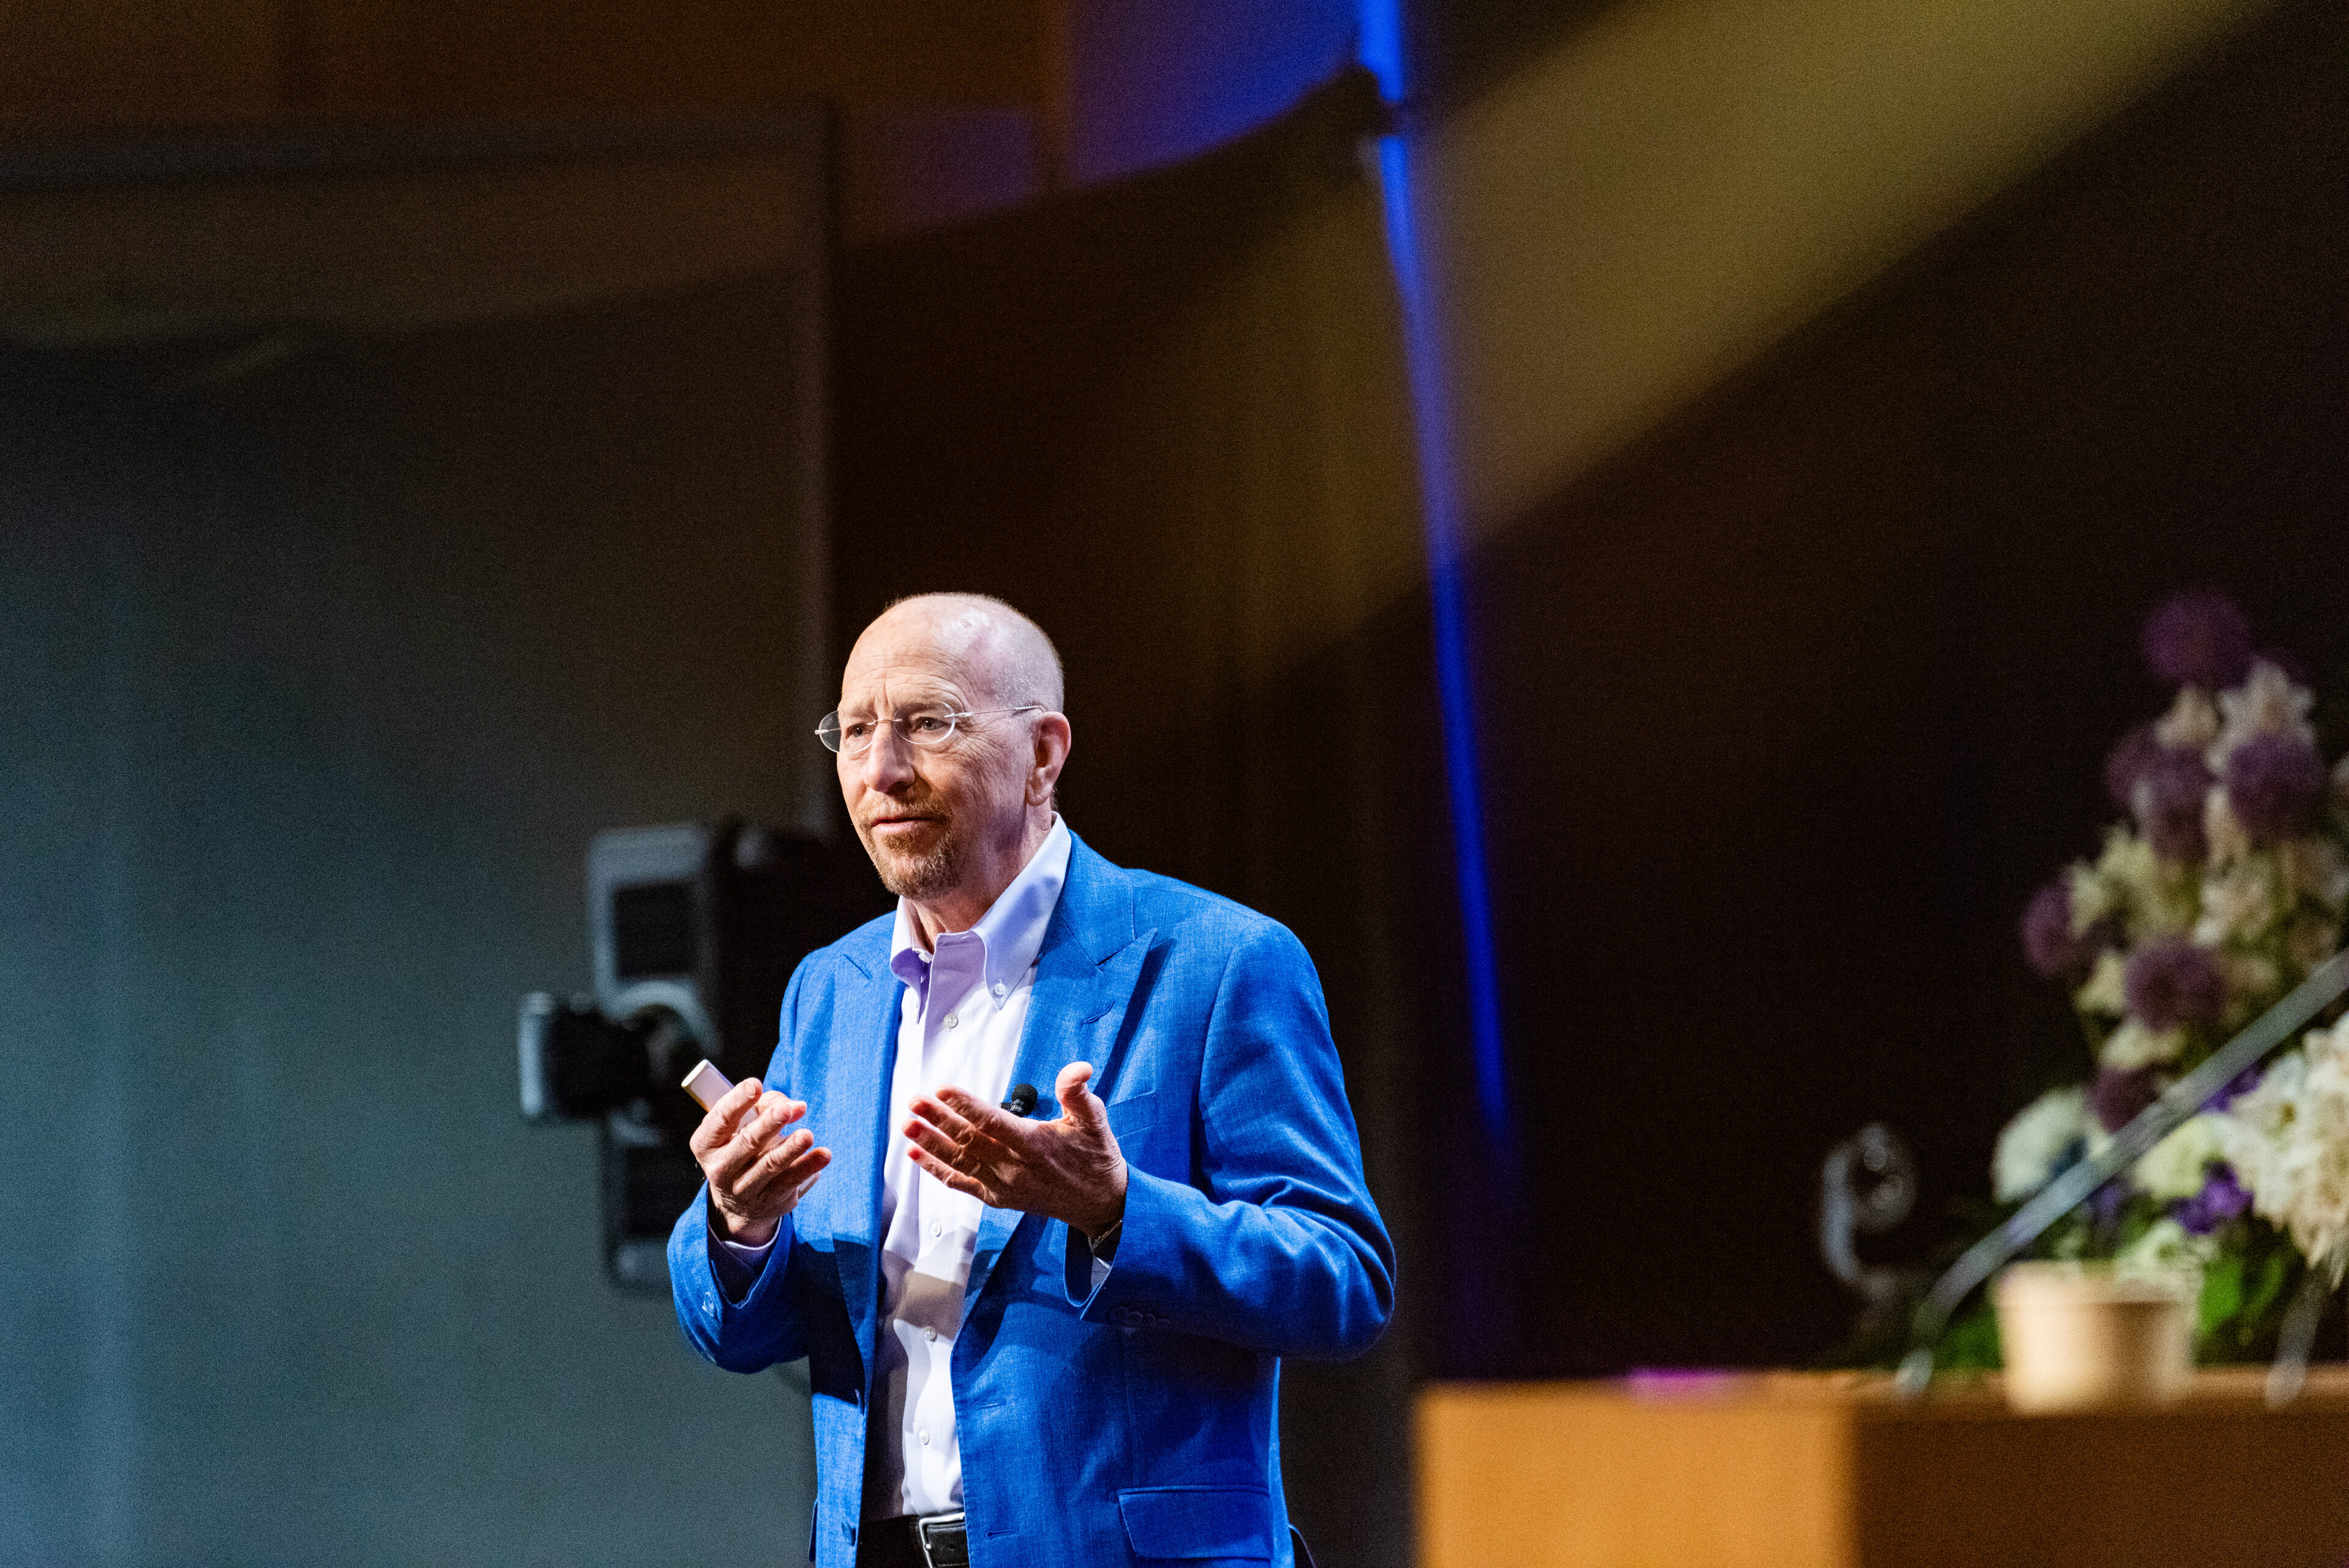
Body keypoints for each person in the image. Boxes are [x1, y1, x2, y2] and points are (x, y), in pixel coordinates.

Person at [669, 593, 1393, 1568]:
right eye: (854, 731)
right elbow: (752, 1328)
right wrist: (740, 1227)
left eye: (928, 724)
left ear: (1044, 755)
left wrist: (1117, 1212)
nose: (882, 770)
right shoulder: (830, 991)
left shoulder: (1216, 963)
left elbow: (1341, 1278)